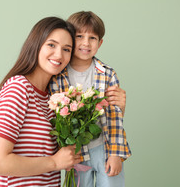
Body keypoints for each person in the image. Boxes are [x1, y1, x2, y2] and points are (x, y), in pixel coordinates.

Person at [0, 17, 82, 187]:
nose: (59, 55)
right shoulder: (19, 88)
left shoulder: (53, 99)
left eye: (66, 49)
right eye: (51, 45)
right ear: (36, 45)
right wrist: (54, 162)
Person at [49, 11, 131, 187]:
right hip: (76, 151)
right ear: (70, 39)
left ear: (100, 43)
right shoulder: (58, 76)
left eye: (92, 38)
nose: (86, 43)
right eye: (79, 36)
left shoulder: (107, 74)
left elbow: (115, 116)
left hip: (105, 148)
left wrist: (116, 153)